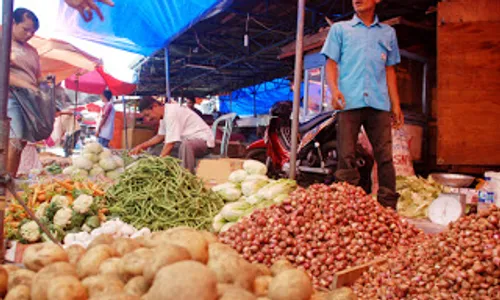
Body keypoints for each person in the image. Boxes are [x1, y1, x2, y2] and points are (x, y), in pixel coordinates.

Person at [321, 0, 404, 209]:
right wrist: (334, 90)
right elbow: (330, 64)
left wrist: (396, 104)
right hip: (348, 102)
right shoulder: (340, 29)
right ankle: (347, 206)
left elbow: (389, 71)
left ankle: (387, 206)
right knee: (346, 156)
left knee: (384, 157)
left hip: (379, 103)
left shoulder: (388, 33)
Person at [3, 8, 42, 176]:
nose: (29, 34)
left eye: (32, 32)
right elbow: (3, 74)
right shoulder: (3, 43)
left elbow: (37, 76)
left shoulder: (32, 51)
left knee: (22, 142)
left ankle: (9, 177)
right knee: (15, 140)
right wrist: (27, 85)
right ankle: (6, 183)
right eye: (25, 29)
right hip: (10, 98)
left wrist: (45, 84)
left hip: (28, 102)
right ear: (13, 23)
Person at [138, 97, 214, 173]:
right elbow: (160, 136)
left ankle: (186, 174)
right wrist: (141, 146)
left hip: (203, 141)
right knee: (154, 149)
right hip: (184, 142)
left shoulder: (171, 113)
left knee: (186, 145)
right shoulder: (163, 116)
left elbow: (170, 143)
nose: (148, 119)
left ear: (155, 106)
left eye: (147, 115)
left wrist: (158, 163)